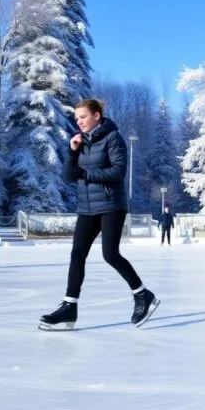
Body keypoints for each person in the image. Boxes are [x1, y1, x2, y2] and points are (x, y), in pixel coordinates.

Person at [39, 99, 159, 331]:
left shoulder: (113, 138)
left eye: (83, 117)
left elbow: (118, 171)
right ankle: (69, 306)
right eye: (76, 119)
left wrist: (85, 173)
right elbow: (68, 175)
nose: (79, 122)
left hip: (111, 204)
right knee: (77, 254)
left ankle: (143, 295)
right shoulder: (81, 141)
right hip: (87, 206)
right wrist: (72, 152)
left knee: (110, 254)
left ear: (96, 115)